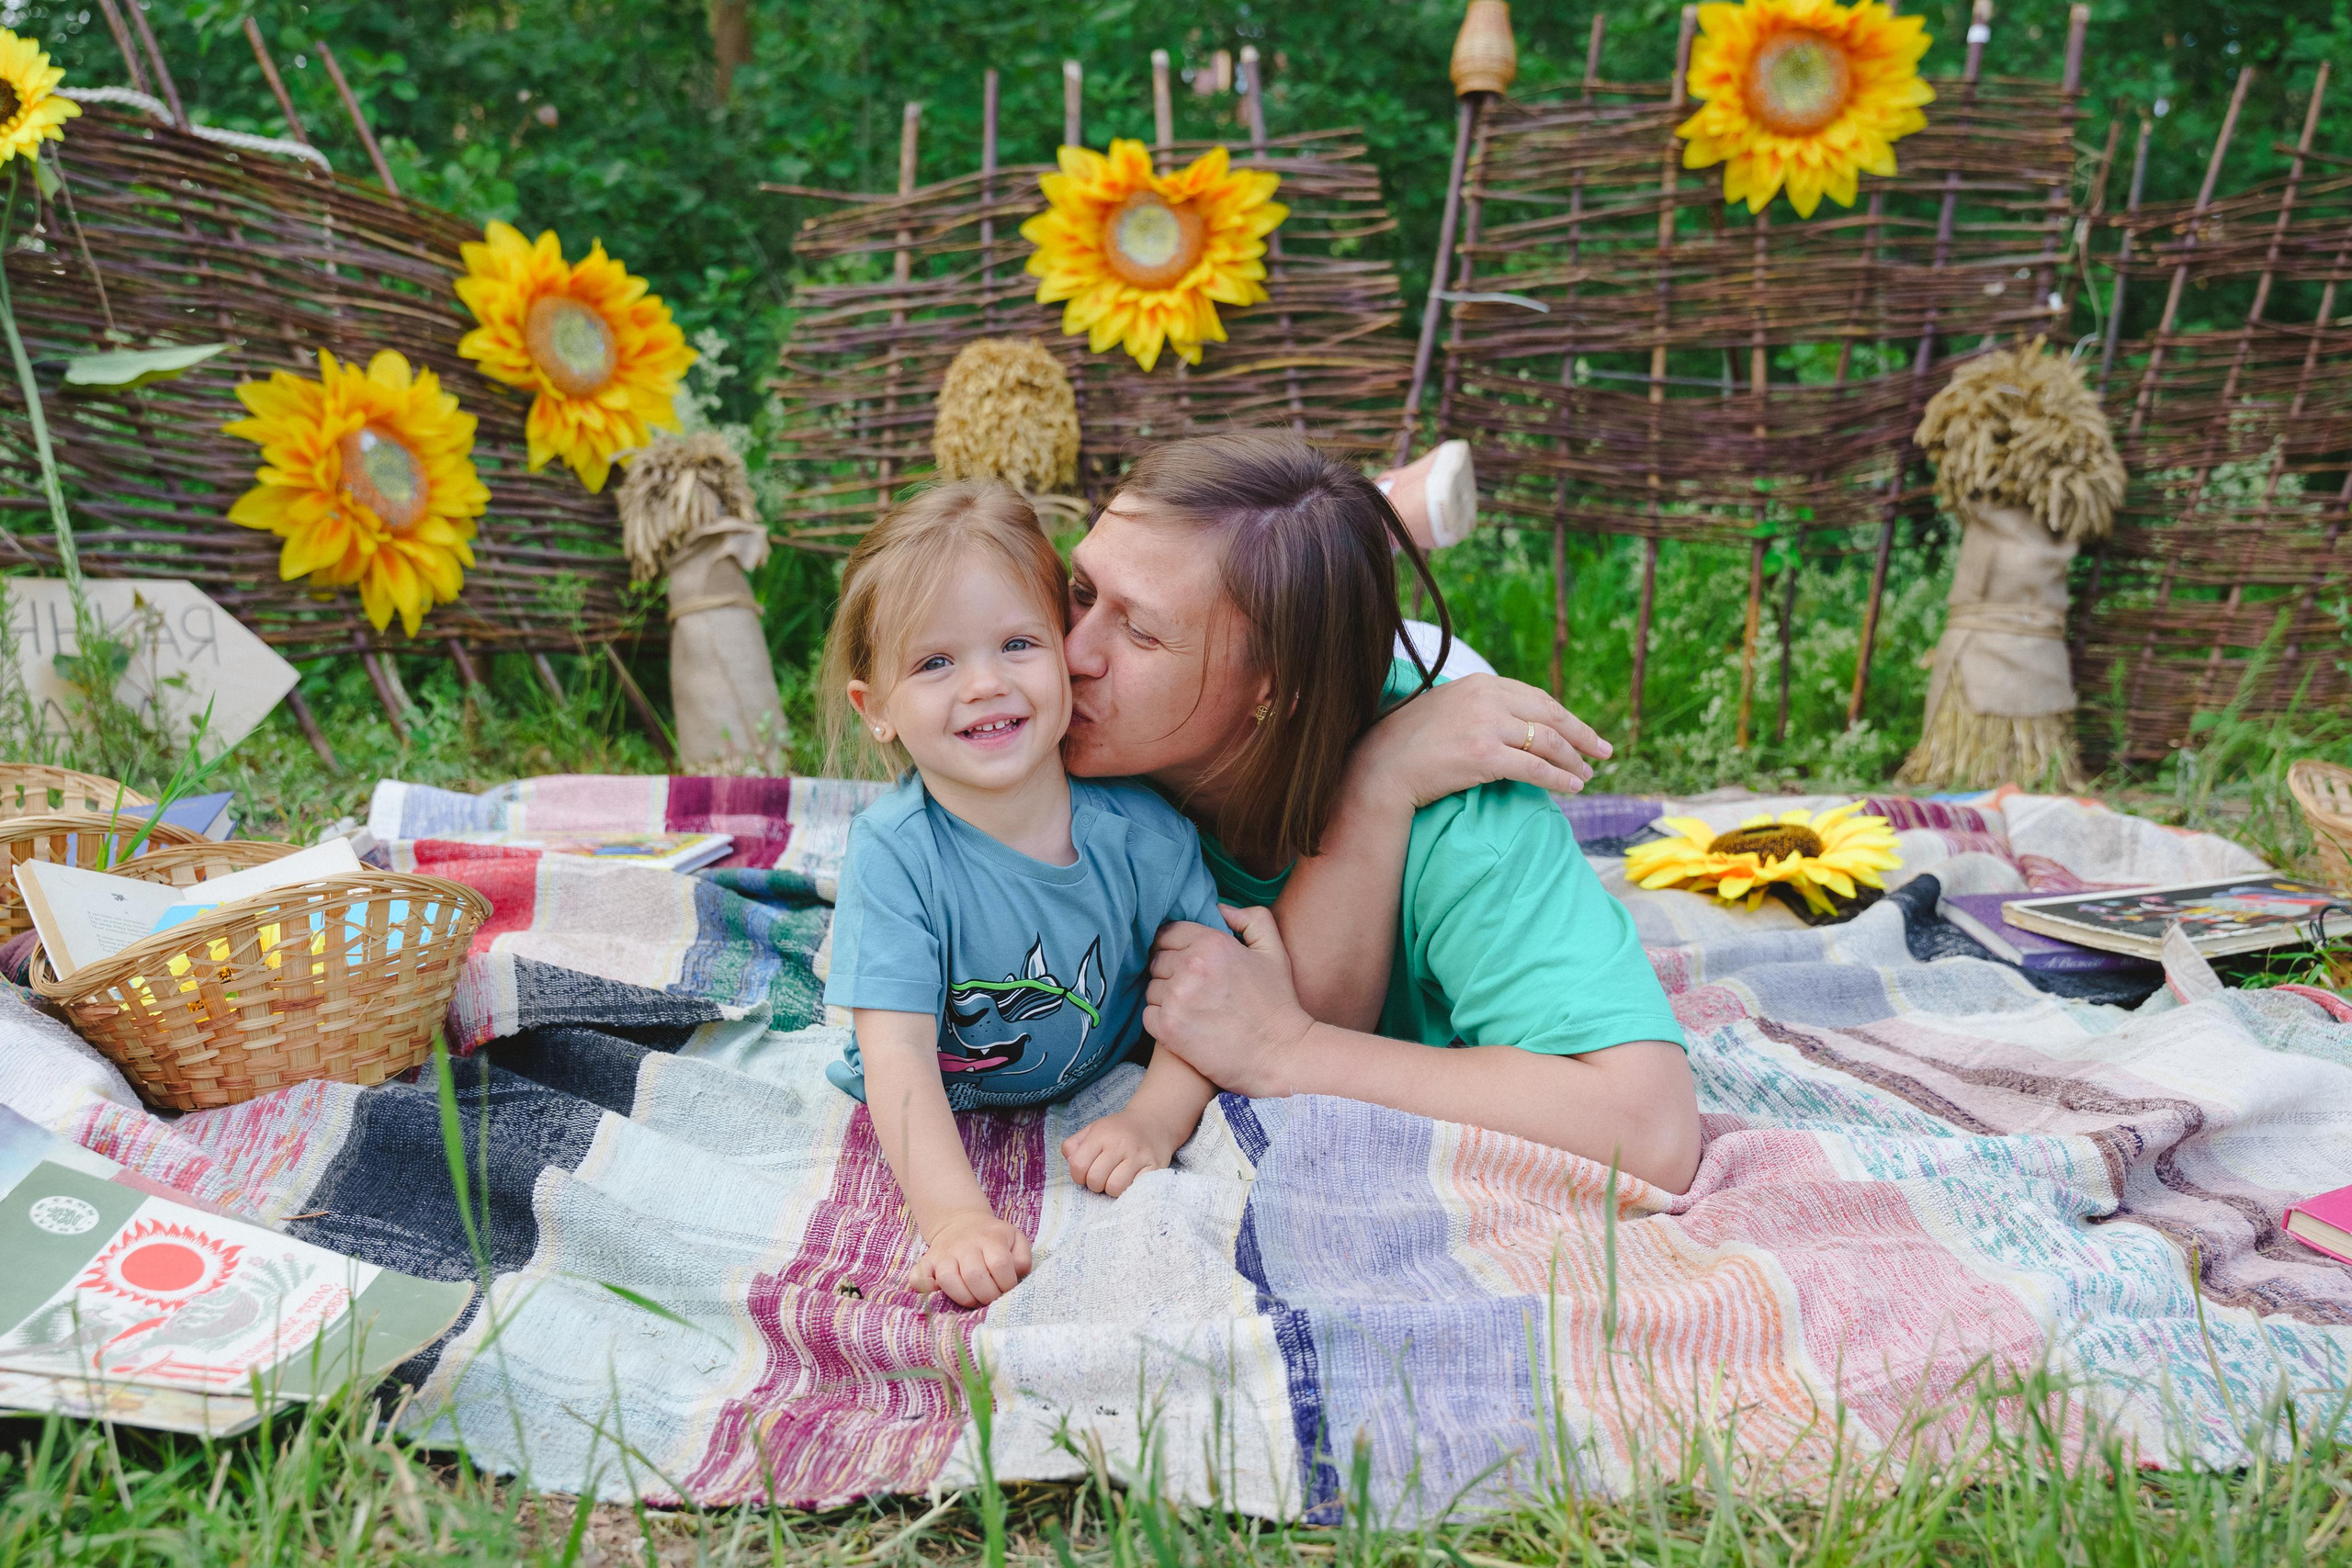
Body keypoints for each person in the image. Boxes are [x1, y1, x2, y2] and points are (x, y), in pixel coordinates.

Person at [1060, 431, 1702, 1193]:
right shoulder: (1054, 720)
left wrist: (1288, 1050)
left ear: (1271, 686)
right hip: (1309, 684)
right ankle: (1394, 506)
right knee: (1299, 558)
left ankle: (1389, 520)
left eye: (1138, 630)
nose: (1071, 652)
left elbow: (1653, 1129)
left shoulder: (1468, 819)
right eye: (1081, 590)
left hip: (1370, 690)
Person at [818, 480, 1232, 1307]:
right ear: (878, 709)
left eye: (1016, 643)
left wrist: (1153, 1118)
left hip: (1097, 1077)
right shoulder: (896, 854)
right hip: (944, 1096)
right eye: (935, 662)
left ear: (1066, 650)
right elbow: (895, 1060)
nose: (983, 684)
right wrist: (956, 1220)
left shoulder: (1146, 840)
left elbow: (1207, 996)